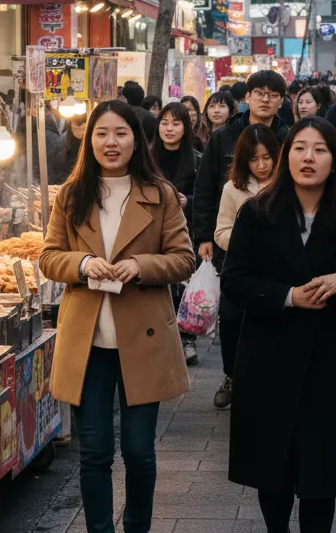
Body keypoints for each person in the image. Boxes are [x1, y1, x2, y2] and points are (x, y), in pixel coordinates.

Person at [39, 100, 195, 533]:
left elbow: (183, 259)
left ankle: (137, 527)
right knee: (94, 452)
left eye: (121, 133)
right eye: (102, 133)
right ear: (89, 140)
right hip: (88, 341)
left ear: (136, 140)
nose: (111, 142)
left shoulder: (159, 194)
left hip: (142, 338)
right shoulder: (72, 195)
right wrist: (84, 265)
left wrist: (142, 266)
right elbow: (49, 257)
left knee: (140, 451)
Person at [221, 117, 336, 533]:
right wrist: (288, 296)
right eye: (299, 147)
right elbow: (235, 281)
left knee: (320, 473)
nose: (308, 157)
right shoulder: (257, 214)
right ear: (285, 155)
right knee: (271, 466)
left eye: (320, 149)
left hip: (328, 361)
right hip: (267, 356)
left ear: (335, 160)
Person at [211, 124, 281, 408]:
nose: (262, 165)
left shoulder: (286, 184)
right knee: (230, 321)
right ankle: (231, 374)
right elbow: (221, 231)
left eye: (267, 157)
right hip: (241, 271)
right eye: (254, 159)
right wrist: (246, 243)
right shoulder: (233, 188)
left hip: (278, 273)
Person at [192, 70, 290, 270]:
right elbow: (205, 188)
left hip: (277, 243)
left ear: (281, 101)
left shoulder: (287, 139)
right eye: (259, 93)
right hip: (227, 239)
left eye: (272, 95)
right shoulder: (224, 136)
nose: (265, 99)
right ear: (248, 97)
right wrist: (204, 237)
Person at [154, 102, 203, 365]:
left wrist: (189, 201)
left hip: (187, 229)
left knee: (185, 284)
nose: (169, 129)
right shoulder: (146, 160)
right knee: (159, 284)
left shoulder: (197, 160)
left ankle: (187, 339)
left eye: (176, 123)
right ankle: (162, 338)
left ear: (186, 127)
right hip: (153, 230)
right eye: (164, 123)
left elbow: (208, 198)